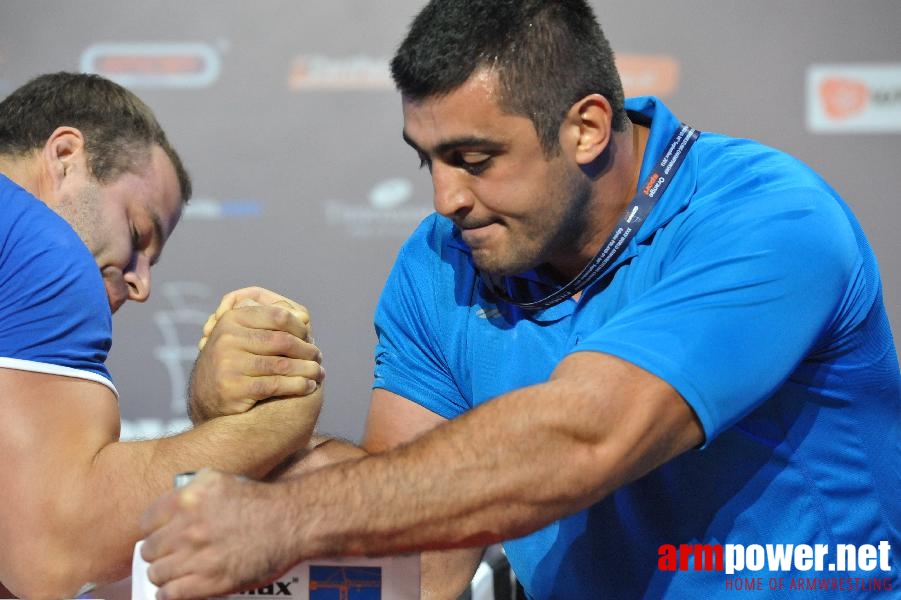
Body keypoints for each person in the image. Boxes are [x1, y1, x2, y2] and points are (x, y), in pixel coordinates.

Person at [139, 1, 901, 598]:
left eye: (473, 160)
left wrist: (281, 517)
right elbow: (423, 548)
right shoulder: (440, 262)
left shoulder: (769, 220)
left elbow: (583, 439)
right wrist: (236, 423)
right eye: (427, 161)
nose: (445, 200)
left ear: (586, 128)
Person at [0, 72, 325, 599]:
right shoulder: (47, 249)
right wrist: (282, 407)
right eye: (137, 233)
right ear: (65, 157)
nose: (140, 284)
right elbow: (54, 553)